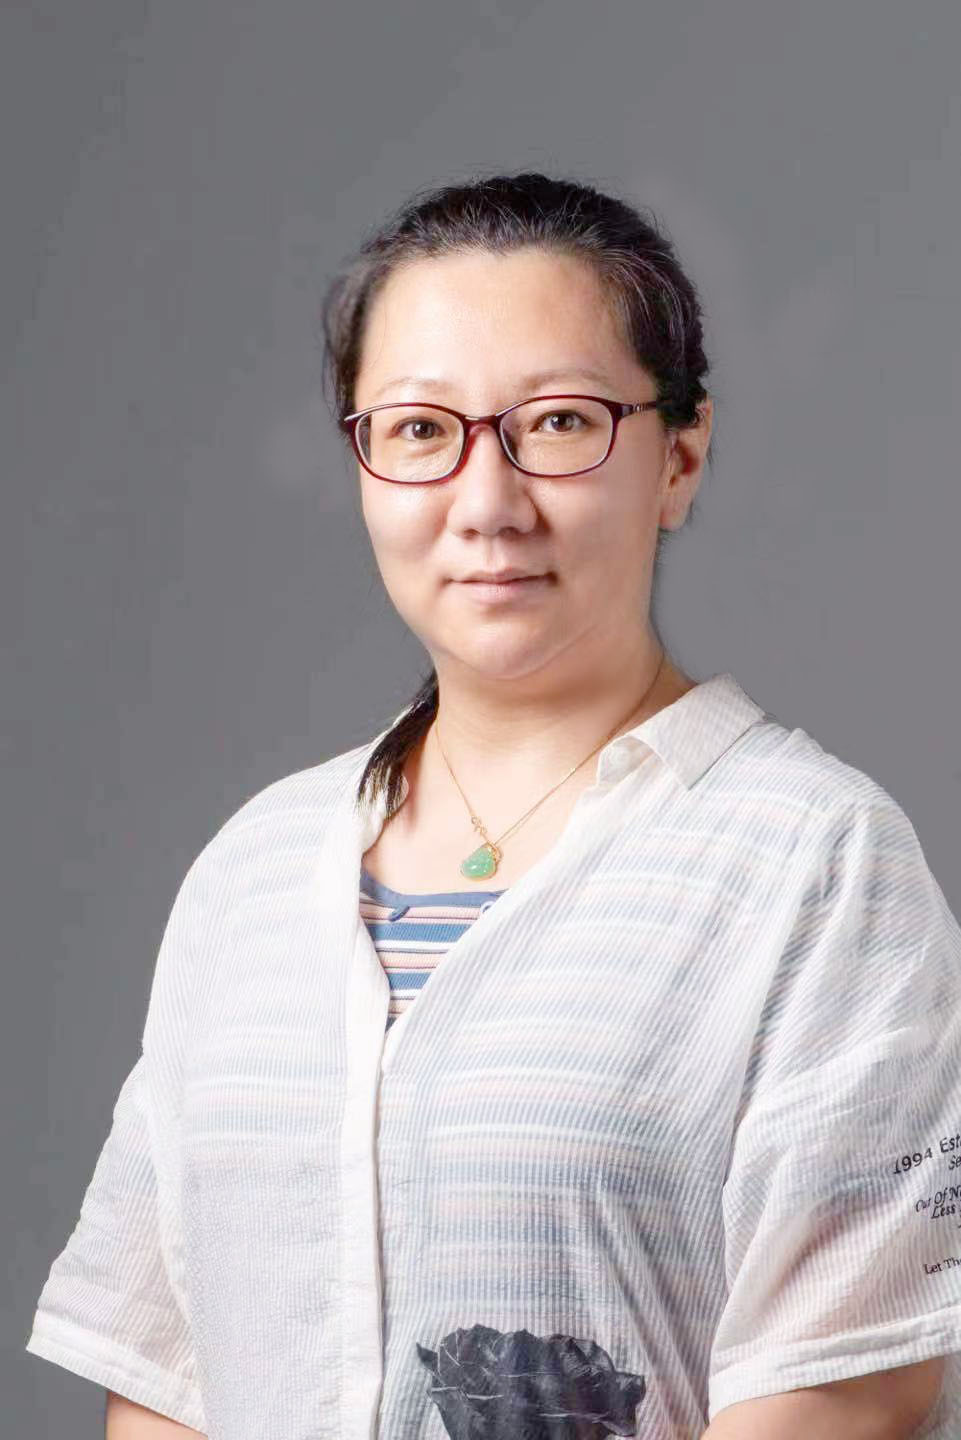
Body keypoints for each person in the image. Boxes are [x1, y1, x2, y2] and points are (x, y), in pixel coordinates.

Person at [25, 171, 961, 1439]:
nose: (487, 504)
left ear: (680, 455)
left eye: (561, 423)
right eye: (420, 430)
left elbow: (849, 1393)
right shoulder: (255, 871)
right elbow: (164, 1378)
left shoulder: (814, 865)